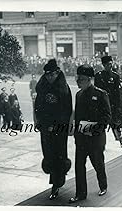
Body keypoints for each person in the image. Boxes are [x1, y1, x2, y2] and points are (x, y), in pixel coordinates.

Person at [69, 64, 111, 203]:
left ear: (89, 79)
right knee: (79, 166)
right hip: (81, 138)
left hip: (95, 139)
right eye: (77, 78)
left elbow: (106, 117)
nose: (78, 81)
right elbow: (78, 116)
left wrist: (91, 129)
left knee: (98, 164)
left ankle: (103, 186)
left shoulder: (100, 94)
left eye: (80, 79)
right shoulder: (78, 95)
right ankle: (80, 193)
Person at [35, 59, 72, 200]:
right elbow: (38, 106)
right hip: (45, 127)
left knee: (59, 154)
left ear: (57, 73)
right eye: (47, 75)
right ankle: (55, 178)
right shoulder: (42, 87)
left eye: (52, 74)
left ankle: (56, 183)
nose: (50, 77)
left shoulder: (64, 88)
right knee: (48, 154)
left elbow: (67, 110)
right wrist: (40, 121)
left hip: (59, 128)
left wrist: (57, 125)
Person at [94, 55, 122, 148]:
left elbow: (118, 93)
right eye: (107, 64)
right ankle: (102, 144)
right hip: (101, 104)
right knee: (102, 125)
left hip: (112, 104)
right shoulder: (98, 76)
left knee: (116, 123)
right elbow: (96, 91)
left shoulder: (115, 76)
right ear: (103, 65)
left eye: (111, 64)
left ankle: (120, 139)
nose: (110, 66)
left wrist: (118, 106)